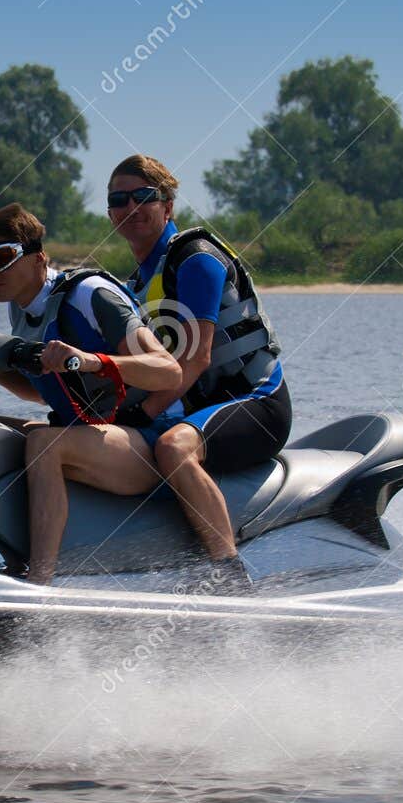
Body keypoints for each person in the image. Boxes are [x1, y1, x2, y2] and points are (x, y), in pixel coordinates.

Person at [107, 154, 291, 587]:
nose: (130, 207)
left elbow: (197, 358)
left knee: (172, 448)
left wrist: (147, 413)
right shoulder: (135, 283)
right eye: (118, 199)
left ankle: (230, 576)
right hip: (196, 411)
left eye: (143, 196)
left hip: (256, 404)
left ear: (167, 206)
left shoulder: (195, 259)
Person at [0, 202, 180, 585]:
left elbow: (169, 371)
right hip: (94, 433)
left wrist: (90, 361)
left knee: (43, 444)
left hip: (147, 440)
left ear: (38, 258)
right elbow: (43, 396)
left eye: (2, 258)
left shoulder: (90, 295)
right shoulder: (19, 312)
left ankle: (39, 585)